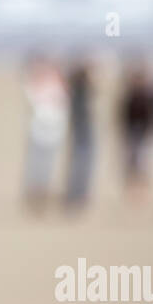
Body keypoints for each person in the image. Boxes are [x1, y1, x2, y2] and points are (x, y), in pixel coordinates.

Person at [20, 52, 67, 212]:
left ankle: (43, 193)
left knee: (48, 163)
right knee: (36, 162)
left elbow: (64, 99)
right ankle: (34, 193)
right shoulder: (33, 85)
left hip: (54, 129)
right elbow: (31, 96)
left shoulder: (58, 85)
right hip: (38, 128)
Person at [118, 55, 153, 200]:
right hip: (132, 133)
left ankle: (143, 192)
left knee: (144, 164)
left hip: (145, 133)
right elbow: (122, 116)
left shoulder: (149, 95)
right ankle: (132, 191)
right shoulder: (129, 95)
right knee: (131, 164)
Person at [63, 56, 95, 210]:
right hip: (82, 133)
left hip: (81, 132)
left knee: (81, 164)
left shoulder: (81, 91)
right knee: (80, 164)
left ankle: (78, 195)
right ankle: (76, 195)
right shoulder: (78, 92)